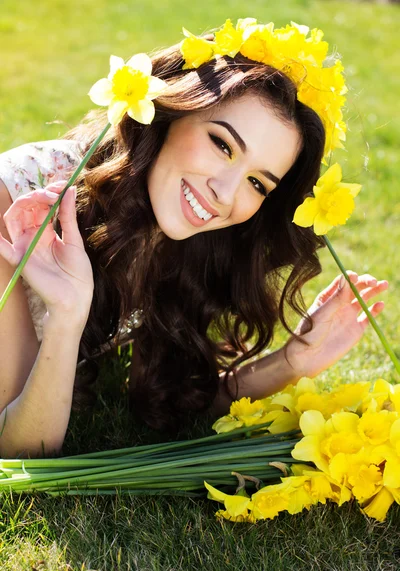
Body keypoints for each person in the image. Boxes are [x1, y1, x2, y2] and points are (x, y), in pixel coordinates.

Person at [0, 23, 388, 458]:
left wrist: (294, 361)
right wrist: (67, 317)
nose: (226, 193)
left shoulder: (178, 232)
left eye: (258, 184)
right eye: (223, 145)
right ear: (170, 112)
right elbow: (19, 446)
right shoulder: (16, 208)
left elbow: (179, 394)